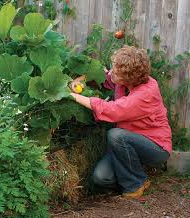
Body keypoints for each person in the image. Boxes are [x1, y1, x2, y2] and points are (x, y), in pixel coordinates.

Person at [70, 46, 172, 199]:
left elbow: (112, 110)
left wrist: (74, 96)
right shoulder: (125, 80)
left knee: (116, 135)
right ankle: (135, 174)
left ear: (129, 77)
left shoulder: (145, 94)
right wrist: (83, 78)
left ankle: (135, 184)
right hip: (128, 143)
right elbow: (107, 79)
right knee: (101, 178)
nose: (112, 72)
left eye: (116, 72)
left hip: (155, 146)